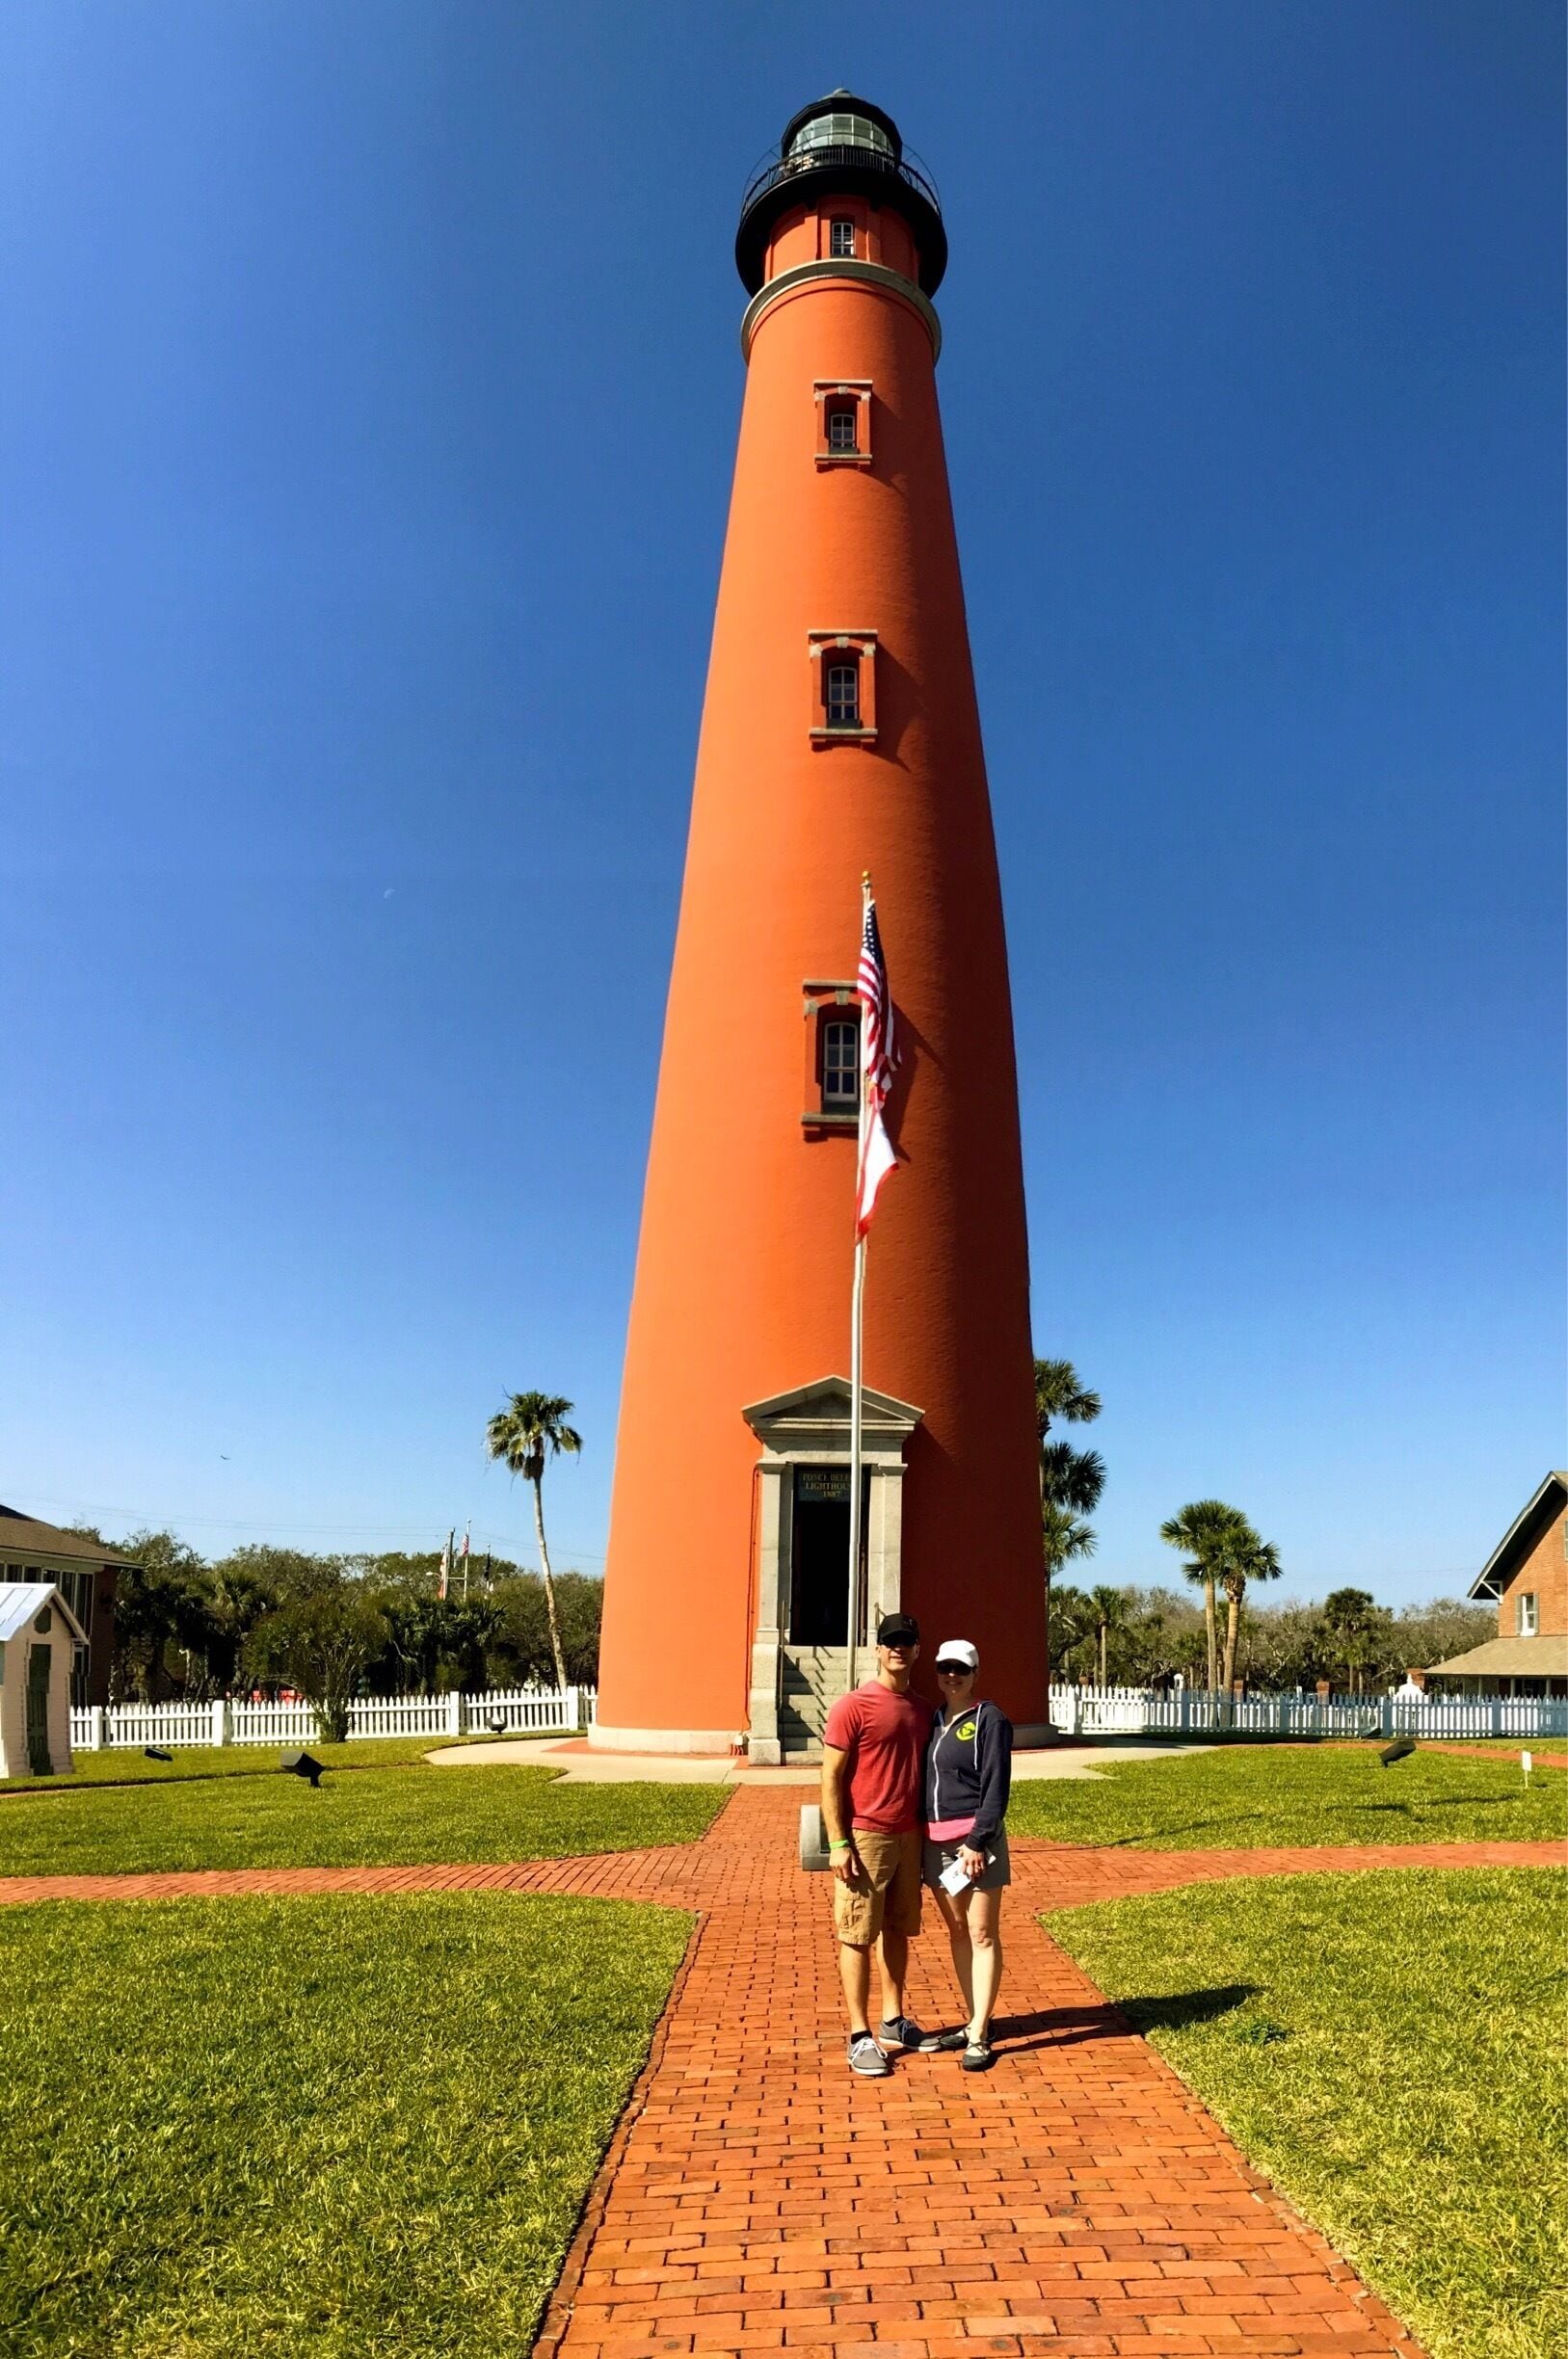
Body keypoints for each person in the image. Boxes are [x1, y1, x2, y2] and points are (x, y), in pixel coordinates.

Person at [820, 1610, 939, 2077]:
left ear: (917, 1650)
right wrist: (837, 1841)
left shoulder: (924, 1709)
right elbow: (830, 1774)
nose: (898, 1648)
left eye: (906, 1641)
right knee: (856, 1933)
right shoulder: (853, 1706)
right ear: (877, 1648)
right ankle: (859, 2034)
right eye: (890, 1641)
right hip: (865, 1836)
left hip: (909, 1834)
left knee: (897, 1929)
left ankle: (893, 2019)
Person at [922, 1638, 1013, 2071]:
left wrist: (978, 1841)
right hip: (935, 1843)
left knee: (981, 1933)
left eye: (960, 1668)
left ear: (975, 1673)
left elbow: (996, 1786)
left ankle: (979, 2033)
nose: (951, 1675)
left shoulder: (989, 1719)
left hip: (973, 1844)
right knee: (958, 1932)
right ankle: (975, 2016)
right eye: (945, 1668)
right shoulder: (935, 1718)